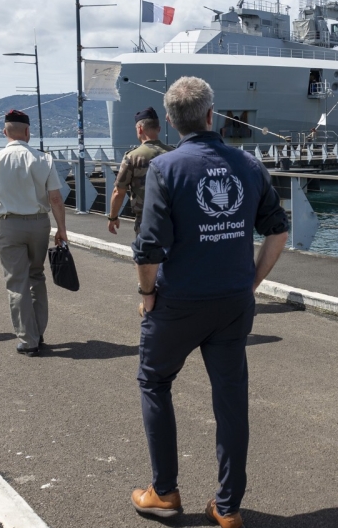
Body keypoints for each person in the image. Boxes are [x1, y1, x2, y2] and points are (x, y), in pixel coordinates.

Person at [129, 77, 289, 527]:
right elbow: (278, 231)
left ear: (171, 121)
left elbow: (148, 248)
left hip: (179, 301)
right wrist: (251, 283)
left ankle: (164, 492)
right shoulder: (249, 164)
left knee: (155, 382)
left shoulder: (166, 168)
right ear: (210, 115)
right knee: (231, 400)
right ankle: (227, 506)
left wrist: (147, 294)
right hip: (233, 302)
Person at [0, 110, 68, 357]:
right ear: (27, 131)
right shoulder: (44, 159)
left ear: (5, 132)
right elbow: (56, 198)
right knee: (37, 276)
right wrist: (61, 230)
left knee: (17, 282)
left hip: (11, 225)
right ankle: (38, 332)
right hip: (39, 224)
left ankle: (28, 339)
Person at [108, 107, 173, 235]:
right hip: (173, 219)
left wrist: (113, 217)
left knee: (146, 248)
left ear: (139, 129)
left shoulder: (132, 157)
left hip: (146, 219)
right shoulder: (174, 153)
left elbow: (118, 192)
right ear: (159, 129)